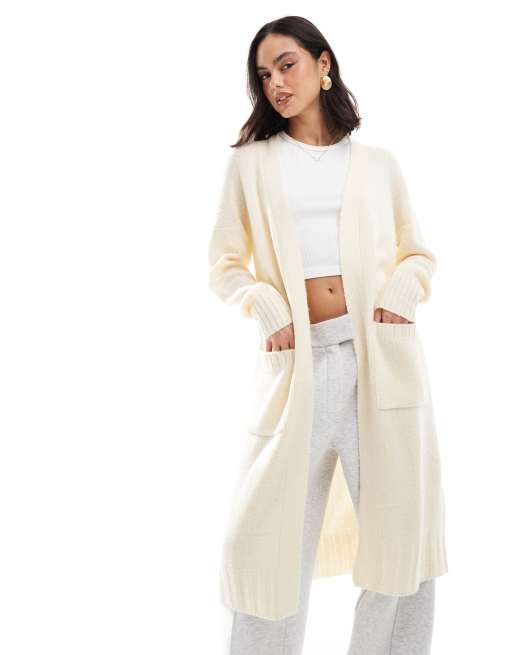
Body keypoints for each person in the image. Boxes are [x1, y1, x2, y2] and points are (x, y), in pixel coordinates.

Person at [208, 15, 446, 655]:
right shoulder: (252, 165)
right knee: (264, 542)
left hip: (381, 362)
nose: (276, 83)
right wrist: (260, 300)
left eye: (286, 65)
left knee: (401, 538)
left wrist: (404, 288)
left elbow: (418, 255)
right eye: (264, 75)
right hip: (298, 368)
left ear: (323, 64)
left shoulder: (377, 165)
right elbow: (224, 265)